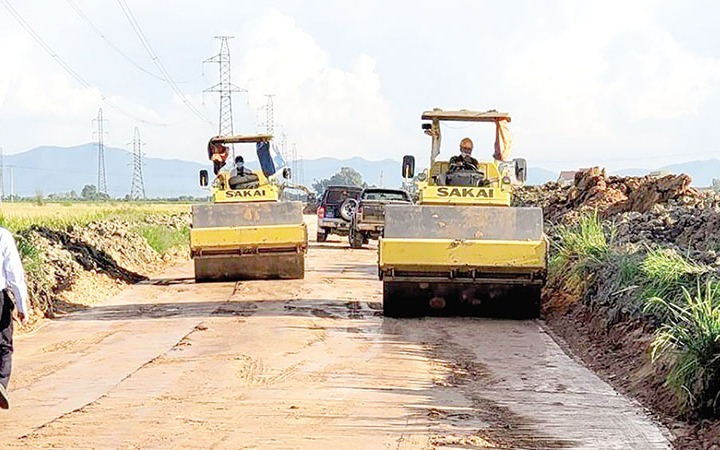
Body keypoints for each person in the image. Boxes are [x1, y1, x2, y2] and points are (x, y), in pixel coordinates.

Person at [0, 227, 29, 410]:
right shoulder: (3, 235)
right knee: (3, 346)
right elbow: (14, 272)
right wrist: (21, 305)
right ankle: (1, 383)